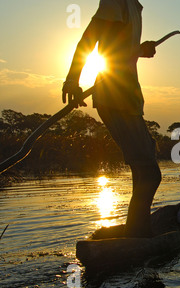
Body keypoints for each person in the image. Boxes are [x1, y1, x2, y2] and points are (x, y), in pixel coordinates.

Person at [62, 0, 161, 237]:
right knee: (150, 174)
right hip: (114, 95)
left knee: (145, 167)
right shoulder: (117, 2)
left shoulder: (134, 7)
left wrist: (139, 50)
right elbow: (90, 40)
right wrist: (72, 80)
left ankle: (137, 233)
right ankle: (138, 238)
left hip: (128, 96)